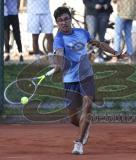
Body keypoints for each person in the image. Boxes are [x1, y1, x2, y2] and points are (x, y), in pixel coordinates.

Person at [52, 6, 122, 155]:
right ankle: (84, 127)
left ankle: (79, 142)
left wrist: (115, 52)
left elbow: (99, 44)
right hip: (70, 80)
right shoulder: (58, 39)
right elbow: (59, 54)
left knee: (88, 105)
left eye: (66, 19)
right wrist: (59, 65)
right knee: (72, 118)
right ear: (57, 23)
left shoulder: (82, 33)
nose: (63, 22)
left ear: (70, 19)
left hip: (86, 76)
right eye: (60, 21)